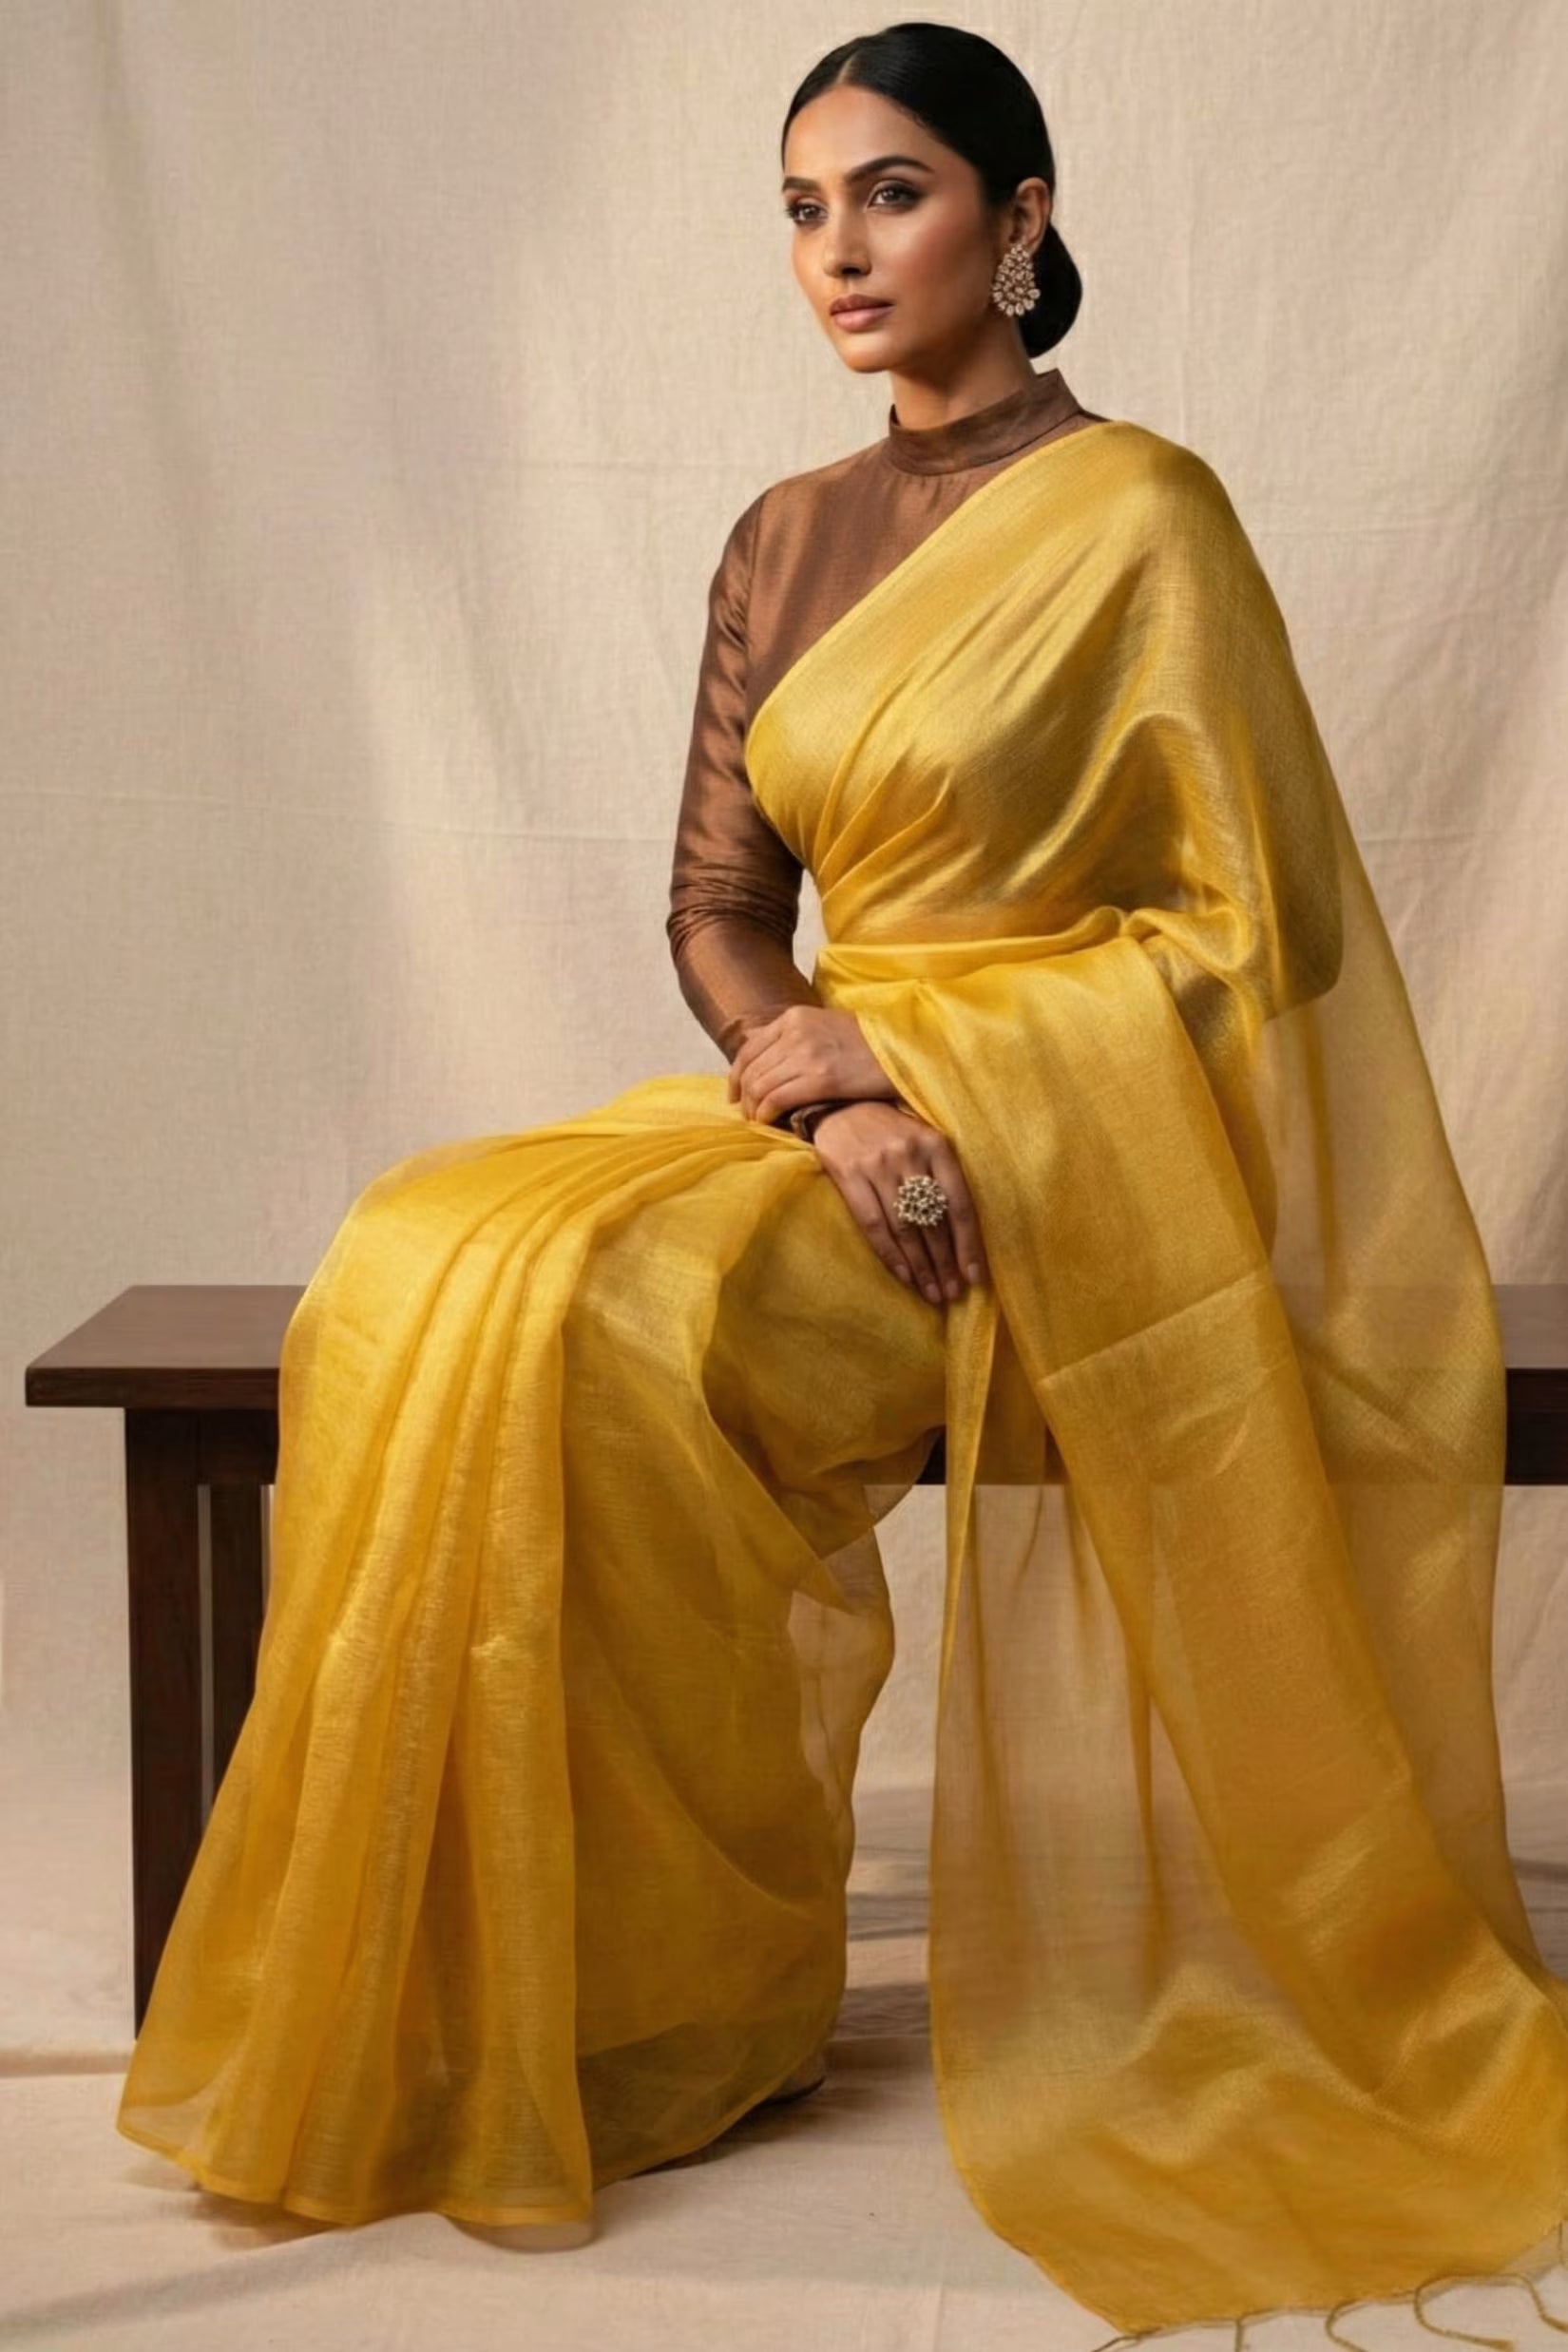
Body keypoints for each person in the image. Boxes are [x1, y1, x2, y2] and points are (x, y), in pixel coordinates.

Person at [114, 22, 1568, 2342]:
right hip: (828, 1120)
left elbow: (1251, 930)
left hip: (1060, 1149)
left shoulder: (1147, 516)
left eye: (890, 194)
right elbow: (718, 911)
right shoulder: (780, 537)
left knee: (614, 1321)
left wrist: (931, 1054)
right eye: (802, 209)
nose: (840, 252)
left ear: (1024, 213)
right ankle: (490, 1979)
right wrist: (829, 1088)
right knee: (415, 1258)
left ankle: (685, 1994)